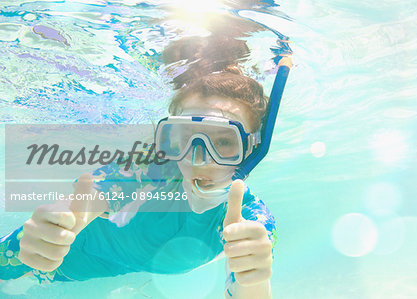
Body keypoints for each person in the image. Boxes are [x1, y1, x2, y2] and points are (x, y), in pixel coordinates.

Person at [0, 70, 278, 298]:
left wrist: (253, 285)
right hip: (53, 256)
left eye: (224, 142)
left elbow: (247, 289)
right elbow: (96, 194)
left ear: (253, 148)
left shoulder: (250, 223)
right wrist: (60, 223)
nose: (197, 159)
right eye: (184, 137)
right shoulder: (151, 169)